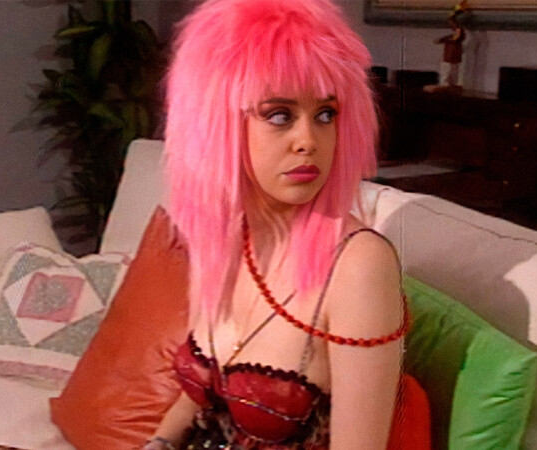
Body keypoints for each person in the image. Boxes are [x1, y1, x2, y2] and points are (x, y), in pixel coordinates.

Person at [144, 0, 415, 448]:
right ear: (216, 123)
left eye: (326, 115)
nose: (308, 141)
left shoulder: (359, 265)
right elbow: (202, 394)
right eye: (279, 115)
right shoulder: (227, 236)